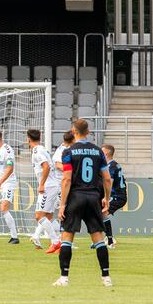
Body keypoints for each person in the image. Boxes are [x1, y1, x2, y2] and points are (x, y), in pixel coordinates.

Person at [53, 119, 113, 287]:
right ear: (88, 132)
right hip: (93, 197)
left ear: (74, 131)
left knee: (67, 237)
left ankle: (64, 278)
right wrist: (106, 199)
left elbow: (66, 179)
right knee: (98, 238)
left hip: (75, 197)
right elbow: (107, 179)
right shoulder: (98, 152)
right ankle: (106, 277)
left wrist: (63, 204)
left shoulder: (68, 152)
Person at [28, 129, 60, 250]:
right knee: (49, 217)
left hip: (48, 187)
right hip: (52, 185)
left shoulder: (37, 151)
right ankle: (61, 240)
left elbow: (45, 166)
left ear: (28, 139)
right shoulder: (42, 149)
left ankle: (56, 241)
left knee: (39, 216)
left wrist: (42, 184)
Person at [45, 130, 73, 254]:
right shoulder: (61, 150)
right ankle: (61, 241)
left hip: (66, 183)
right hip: (60, 184)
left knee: (61, 212)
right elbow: (57, 165)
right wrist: (73, 169)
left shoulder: (70, 149)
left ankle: (61, 241)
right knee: (61, 212)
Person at [102, 144, 126, 248]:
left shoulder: (110, 167)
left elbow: (109, 183)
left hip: (117, 196)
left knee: (101, 214)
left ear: (106, 153)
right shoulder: (114, 165)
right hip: (118, 195)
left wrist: (105, 198)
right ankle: (107, 240)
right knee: (101, 215)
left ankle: (110, 241)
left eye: (101, 152)